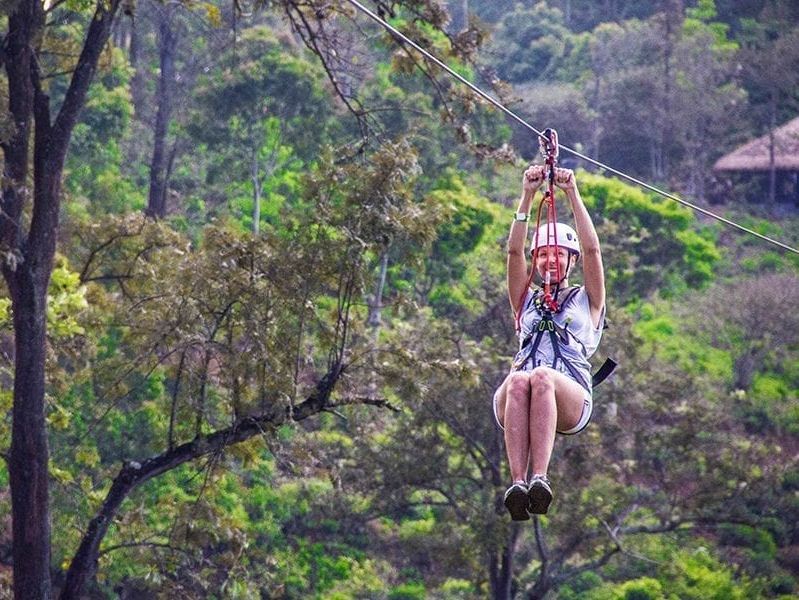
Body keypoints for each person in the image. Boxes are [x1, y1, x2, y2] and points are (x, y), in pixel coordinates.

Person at [493, 164, 606, 520]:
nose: (550, 260)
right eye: (542, 254)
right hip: (518, 397)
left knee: (540, 377)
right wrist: (527, 195)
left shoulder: (588, 300)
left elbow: (593, 251)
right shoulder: (525, 299)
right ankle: (518, 483)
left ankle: (539, 478)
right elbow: (514, 254)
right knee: (519, 378)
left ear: (571, 260)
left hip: (571, 397)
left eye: (558, 253)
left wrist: (572, 192)